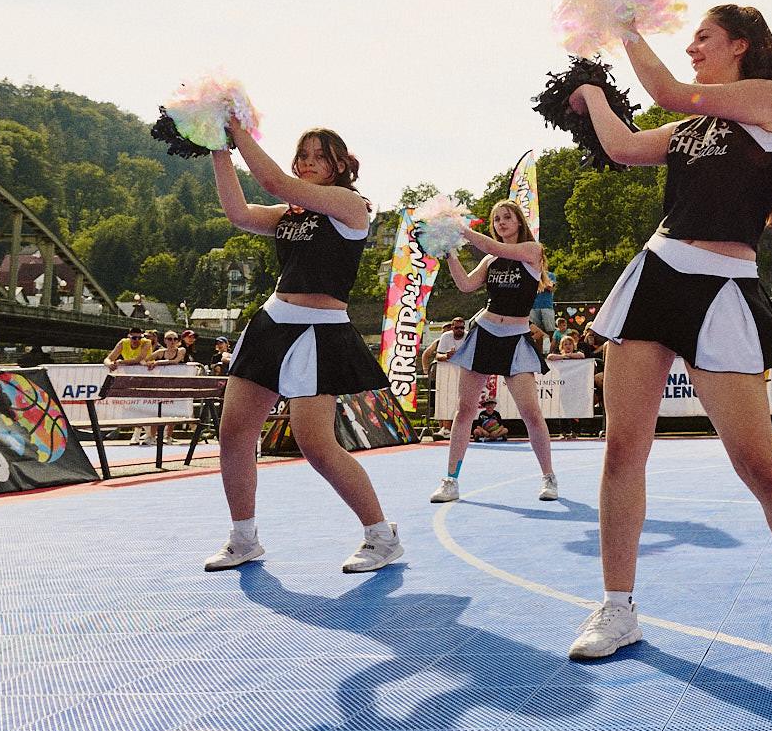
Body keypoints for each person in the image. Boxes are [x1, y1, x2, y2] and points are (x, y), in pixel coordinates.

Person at [566, 5, 772, 659]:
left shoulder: (768, 99)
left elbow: (667, 89)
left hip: (723, 291)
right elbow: (622, 147)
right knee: (623, 450)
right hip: (655, 277)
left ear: (740, 45)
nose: (692, 46)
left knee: (758, 463)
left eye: (703, 37)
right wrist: (590, 93)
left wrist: (625, 27)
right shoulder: (691, 127)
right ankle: (617, 607)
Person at [204, 123, 400, 574]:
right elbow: (238, 213)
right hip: (271, 324)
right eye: (303, 154)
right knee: (234, 434)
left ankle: (381, 536)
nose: (308, 161)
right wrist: (217, 146)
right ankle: (243, 538)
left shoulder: (350, 206)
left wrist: (236, 129)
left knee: (316, 444)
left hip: (319, 331)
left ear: (340, 165)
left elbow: (274, 181)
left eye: (320, 155)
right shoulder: (289, 213)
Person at [428, 201, 559, 504]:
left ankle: (549, 476)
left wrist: (460, 228)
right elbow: (465, 285)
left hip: (516, 338)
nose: (501, 222)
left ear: (519, 222)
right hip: (484, 334)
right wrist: (449, 252)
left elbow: (490, 245)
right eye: (496, 219)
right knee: (464, 410)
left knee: (531, 414)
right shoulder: (490, 259)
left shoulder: (532, 251)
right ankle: (450, 480)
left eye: (507, 217)